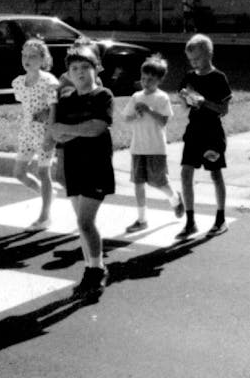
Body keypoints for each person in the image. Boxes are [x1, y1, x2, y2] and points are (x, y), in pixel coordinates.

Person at [45, 41, 116, 298]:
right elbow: (55, 133)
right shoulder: (67, 98)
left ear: (96, 69)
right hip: (74, 165)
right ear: (68, 73)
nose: (80, 72)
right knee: (81, 223)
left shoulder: (103, 96)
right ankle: (90, 269)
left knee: (85, 222)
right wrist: (67, 126)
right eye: (74, 68)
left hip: (96, 166)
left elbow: (97, 127)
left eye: (85, 67)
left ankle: (97, 270)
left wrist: (71, 131)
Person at [121, 54, 184, 232]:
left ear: (159, 80)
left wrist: (148, 110)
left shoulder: (162, 98)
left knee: (158, 182)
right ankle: (142, 219)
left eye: (150, 79)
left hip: (156, 147)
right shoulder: (136, 96)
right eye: (143, 78)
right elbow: (126, 118)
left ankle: (175, 199)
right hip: (137, 147)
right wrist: (136, 114)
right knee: (138, 183)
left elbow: (163, 121)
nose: (146, 82)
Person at [177, 33, 232, 239]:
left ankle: (220, 218)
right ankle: (190, 221)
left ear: (209, 54)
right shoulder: (189, 77)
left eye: (197, 59)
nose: (194, 63)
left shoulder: (219, 78)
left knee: (215, 173)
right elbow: (183, 107)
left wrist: (204, 101)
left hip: (212, 132)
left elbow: (223, 109)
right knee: (185, 173)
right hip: (194, 130)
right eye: (191, 60)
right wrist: (185, 98)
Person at [11, 38, 59, 230]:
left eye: (33, 56)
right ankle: (47, 195)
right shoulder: (18, 83)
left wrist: (49, 135)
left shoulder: (48, 81)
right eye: (24, 55)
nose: (27, 59)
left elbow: (55, 108)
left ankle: (45, 216)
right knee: (19, 173)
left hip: (44, 132)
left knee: (43, 171)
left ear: (43, 59)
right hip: (27, 132)